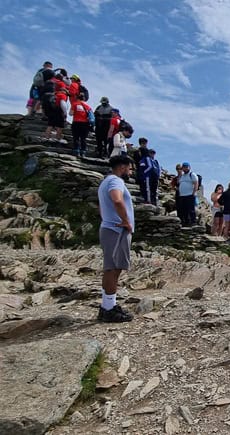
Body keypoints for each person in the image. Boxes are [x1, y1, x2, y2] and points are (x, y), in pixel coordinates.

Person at [97, 155, 135, 322]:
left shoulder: (105, 181)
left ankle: (107, 305)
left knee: (111, 267)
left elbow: (102, 206)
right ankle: (109, 309)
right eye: (130, 168)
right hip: (116, 230)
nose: (131, 171)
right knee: (114, 268)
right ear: (122, 167)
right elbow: (117, 200)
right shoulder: (116, 181)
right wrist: (126, 221)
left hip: (109, 227)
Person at [69, 92, 92, 158]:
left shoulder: (75, 104)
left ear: (77, 98)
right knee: (83, 138)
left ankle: (77, 152)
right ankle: (83, 152)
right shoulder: (87, 106)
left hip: (76, 122)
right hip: (85, 124)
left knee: (76, 137)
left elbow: (70, 114)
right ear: (84, 99)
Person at [177, 162, 198, 226]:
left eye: (186, 167)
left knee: (191, 209)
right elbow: (178, 182)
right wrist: (180, 174)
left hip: (190, 194)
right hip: (182, 195)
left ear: (189, 167)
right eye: (184, 167)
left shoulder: (192, 174)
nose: (185, 168)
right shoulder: (182, 176)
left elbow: (196, 183)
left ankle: (193, 221)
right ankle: (186, 222)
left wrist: (194, 192)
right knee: (184, 209)